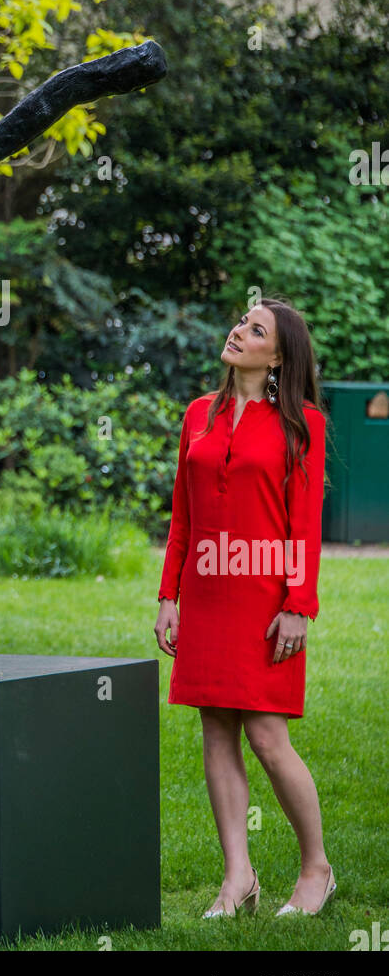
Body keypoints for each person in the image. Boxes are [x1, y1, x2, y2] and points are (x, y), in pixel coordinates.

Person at [154, 297, 336, 918]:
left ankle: (316, 870)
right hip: (205, 594)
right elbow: (183, 513)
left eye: (255, 330)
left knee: (266, 736)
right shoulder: (199, 416)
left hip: (265, 600)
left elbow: (303, 527)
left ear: (279, 355)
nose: (238, 331)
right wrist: (168, 594)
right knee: (216, 731)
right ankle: (239, 880)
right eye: (241, 321)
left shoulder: (301, 424)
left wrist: (298, 604)